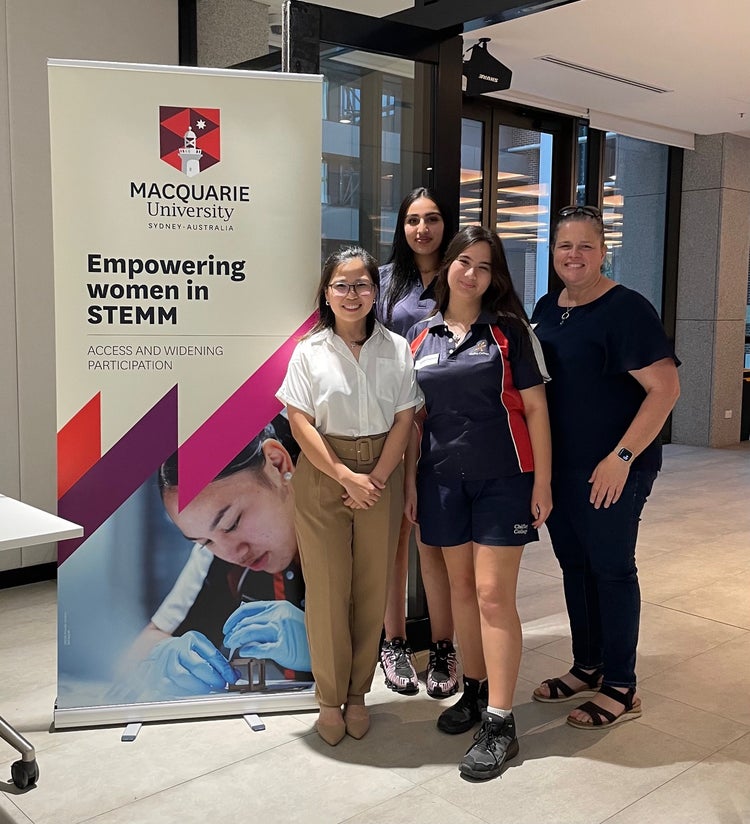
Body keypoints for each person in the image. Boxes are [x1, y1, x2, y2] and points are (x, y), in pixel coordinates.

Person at [404, 225, 552, 781]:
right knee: (461, 591)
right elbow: (414, 420)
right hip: (441, 480)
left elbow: (537, 411)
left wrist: (543, 484)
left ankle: (500, 720)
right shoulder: (418, 337)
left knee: (493, 595)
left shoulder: (511, 332)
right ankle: (475, 688)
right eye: (463, 261)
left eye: (484, 266)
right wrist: (414, 485)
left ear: (495, 278)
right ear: (446, 267)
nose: (471, 273)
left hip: (504, 480)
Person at [530, 205, 680, 729]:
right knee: (576, 566)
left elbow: (665, 389)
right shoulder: (549, 306)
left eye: (585, 246)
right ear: (553, 251)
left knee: (612, 568)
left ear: (603, 251)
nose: (574, 255)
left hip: (615, 468)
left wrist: (622, 458)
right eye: (564, 246)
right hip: (563, 467)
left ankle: (621, 684)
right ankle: (587, 665)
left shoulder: (626, 309)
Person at [277, 246, 420, 746]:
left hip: (382, 469)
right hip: (322, 473)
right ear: (327, 292)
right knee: (327, 591)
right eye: (342, 284)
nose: (353, 294)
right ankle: (328, 698)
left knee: (371, 588)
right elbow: (299, 421)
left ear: (375, 291)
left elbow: (405, 417)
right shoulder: (308, 351)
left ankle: (359, 694)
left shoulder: (397, 349)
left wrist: (377, 477)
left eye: (362, 284)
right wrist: (344, 476)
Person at [114, 418, 311, 702]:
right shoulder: (213, 557)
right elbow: (134, 655)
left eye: (232, 523)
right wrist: (162, 658)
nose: (231, 553)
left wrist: (327, 646)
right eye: (204, 541)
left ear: (278, 465)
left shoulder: (356, 517)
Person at [376, 186, 458, 699]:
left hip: (447, 425)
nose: (422, 229)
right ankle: (395, 642)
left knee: (435, 538)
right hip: (390, 423)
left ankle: (445, 644)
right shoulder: (383, 283)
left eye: (431, 219)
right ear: (401, 228)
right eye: (412, 220)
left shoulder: (461, 278)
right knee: (394, 540)